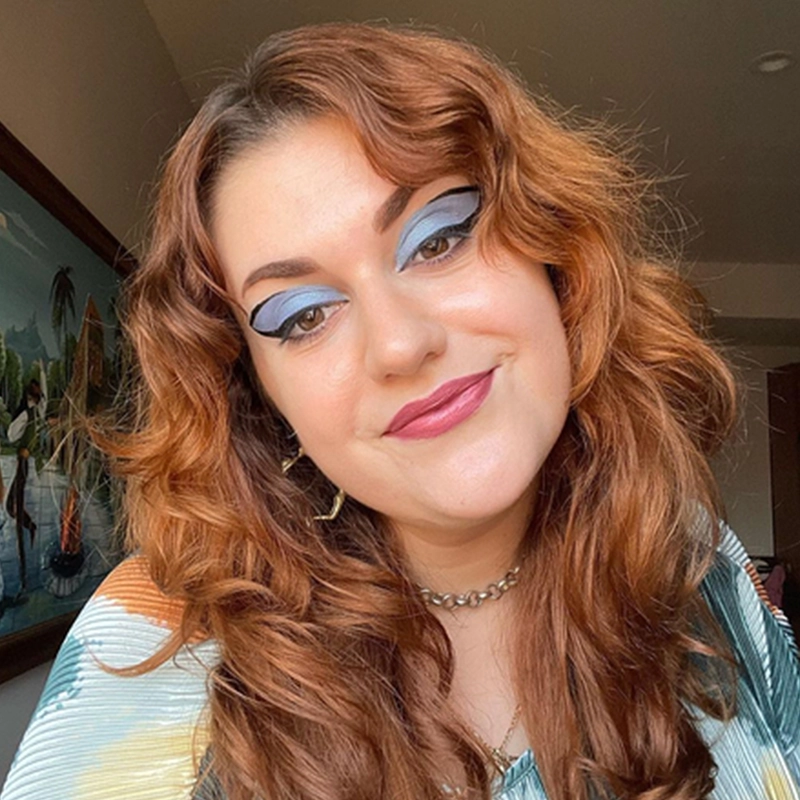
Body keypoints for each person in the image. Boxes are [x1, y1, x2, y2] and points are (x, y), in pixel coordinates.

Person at [2, 22, 798, 800]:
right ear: (260, 403)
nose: (400, 344)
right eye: (304, 315)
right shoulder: (152, 651)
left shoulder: (694, 563)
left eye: (438, 239)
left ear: (553, 253)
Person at [5, 362, 47, 597]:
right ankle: (29, 527)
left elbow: (12, 436)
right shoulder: (27, 413)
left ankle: (29, 530)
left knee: (13, 506)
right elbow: (12, 435)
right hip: (21, 464)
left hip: (25, 465)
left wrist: (42, 370)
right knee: (12, 507)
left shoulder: (35, 412)